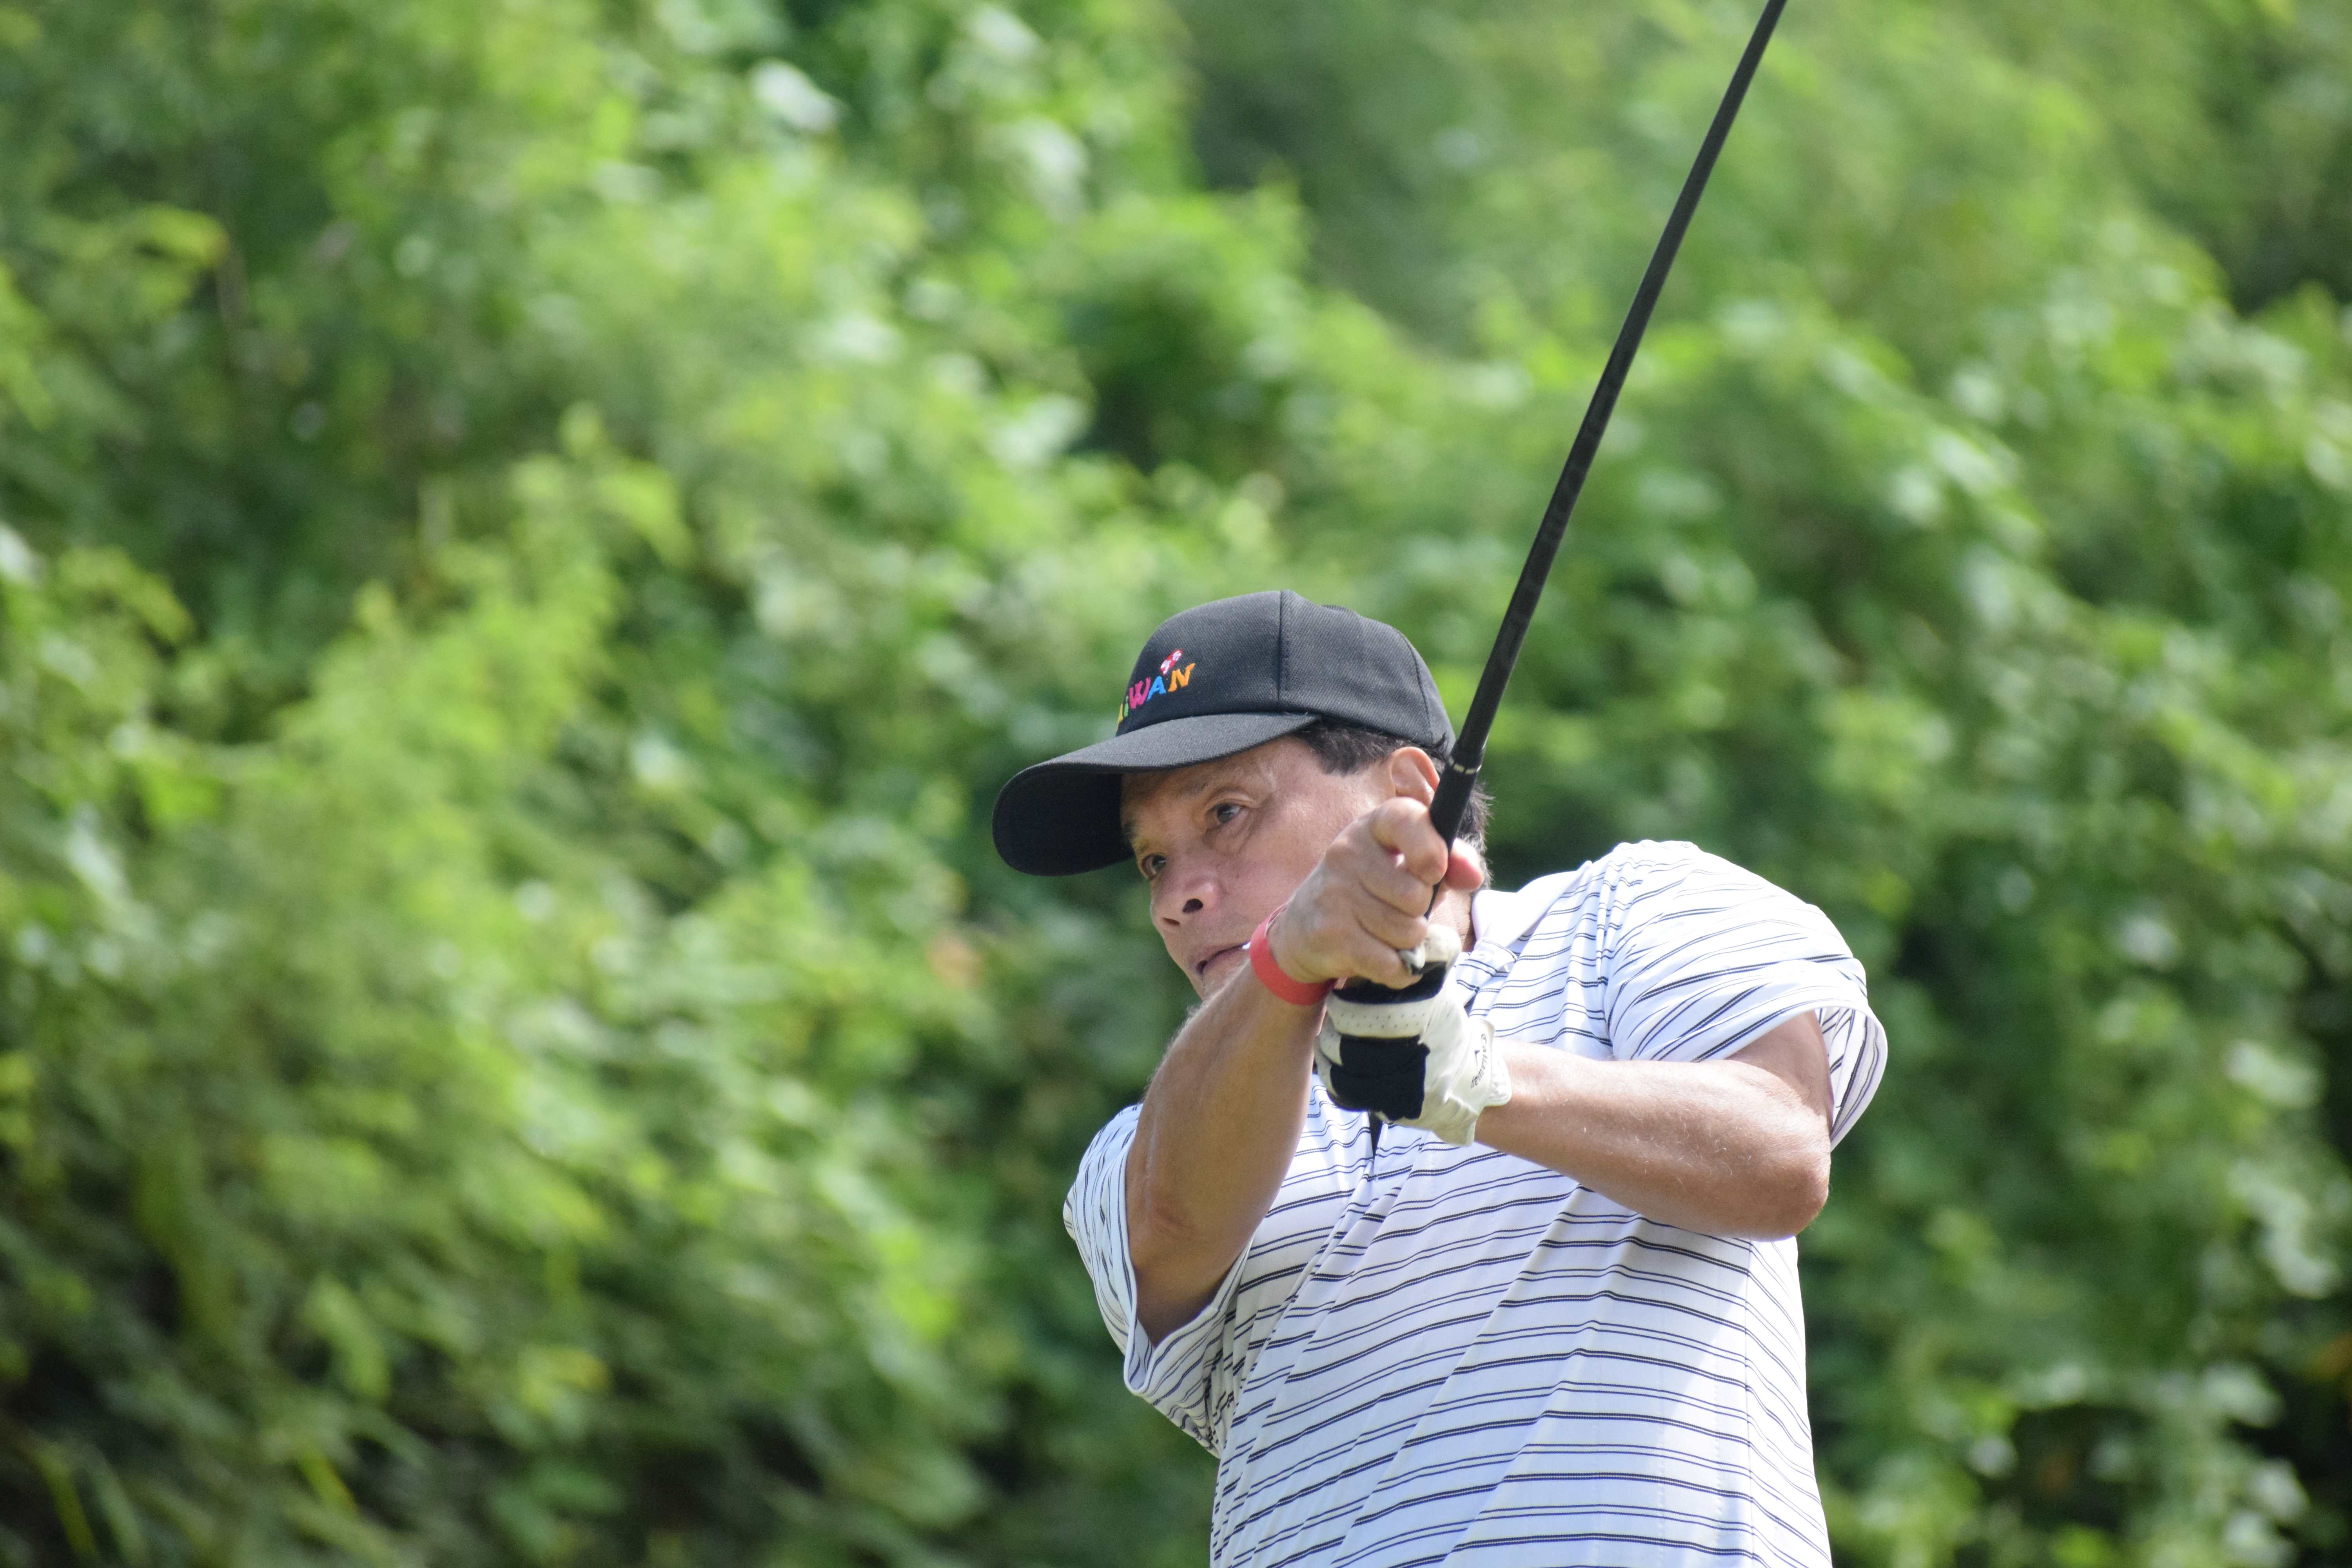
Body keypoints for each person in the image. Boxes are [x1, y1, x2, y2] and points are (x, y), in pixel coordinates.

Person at [993, 590, 1886, 1566]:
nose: (1178, 894)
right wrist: (1291, 962)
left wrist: (1474, 1076)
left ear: (1409, 794)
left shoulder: (1634, 907)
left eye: (1228, 813)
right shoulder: (1155, 1136)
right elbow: (1169, 1235)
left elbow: (1779, 1151)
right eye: (1153, 859)